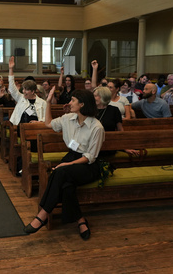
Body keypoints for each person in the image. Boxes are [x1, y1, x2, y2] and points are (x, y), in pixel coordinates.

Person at [23, 87, 104, 240]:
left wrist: (67, 165)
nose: (70, 102)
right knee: (66, 186)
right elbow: (48, 124)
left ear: (82, 104)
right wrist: (48, 102)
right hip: (71, 158)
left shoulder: (96, 127)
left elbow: (90, 156)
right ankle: (80, 220)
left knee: (60, 172)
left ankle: (43, 214)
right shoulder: (68, 118)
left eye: (73, 100)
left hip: (87, 165)